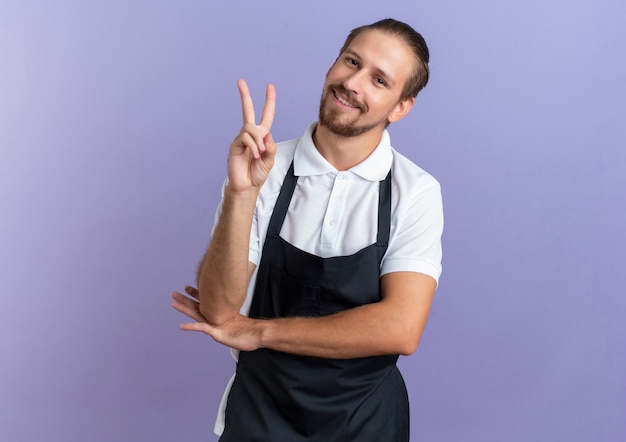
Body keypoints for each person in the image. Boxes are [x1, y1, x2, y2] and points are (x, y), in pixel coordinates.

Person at [171, 18, 443, 441]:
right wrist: (241, 195)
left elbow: (401, 328)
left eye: (378, 79)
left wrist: (259, 331)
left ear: (399, 107)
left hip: (366, 422)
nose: (352, 83)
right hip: (261, 416)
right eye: (351, 61)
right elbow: (221, 310)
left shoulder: (416, 192)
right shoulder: (264, 168)